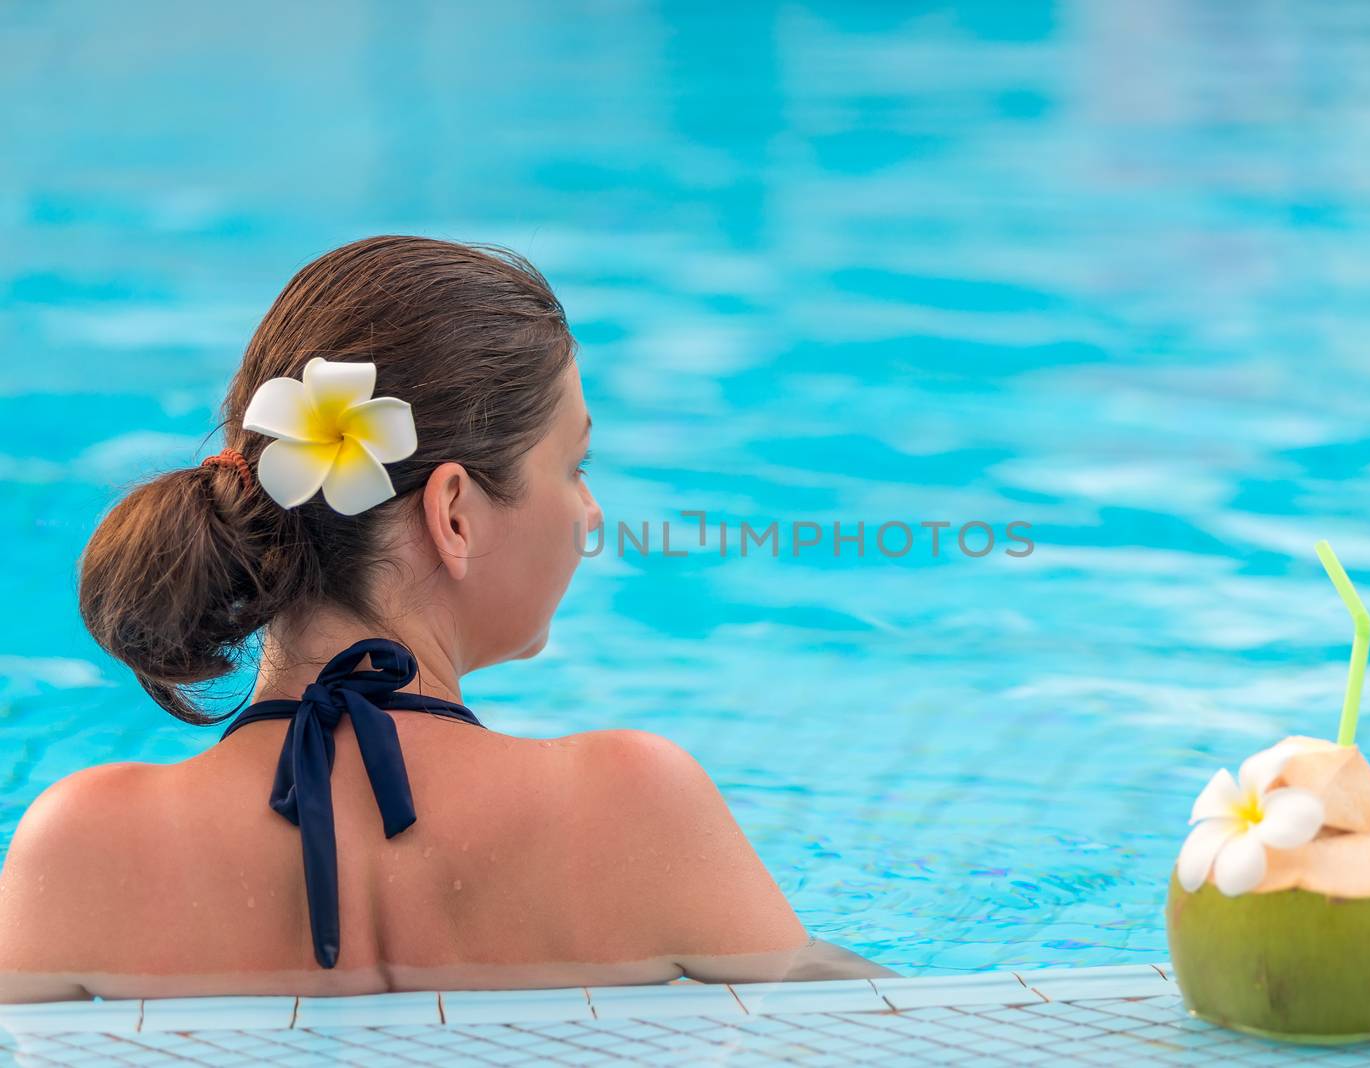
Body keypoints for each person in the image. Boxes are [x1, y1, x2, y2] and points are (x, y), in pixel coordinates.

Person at [0, 236, 895, 1003]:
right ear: (455, 512)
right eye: (575, 465)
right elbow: (892, 1029)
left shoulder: (83, 848)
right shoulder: (630, 811)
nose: (589, 513)